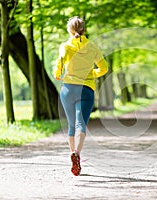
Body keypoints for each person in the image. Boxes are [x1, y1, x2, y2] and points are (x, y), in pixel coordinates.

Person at [54, 16, 108, 176]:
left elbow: (60, 64)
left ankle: (74, 154)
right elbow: (104, 68)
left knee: (71, 125)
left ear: (69, 30)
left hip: (68, 89)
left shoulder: (65, 46)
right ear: (84, 29)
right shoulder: (92, 47)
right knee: (80, 124)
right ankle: (76, 153)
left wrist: (58, 74)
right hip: (86, 89)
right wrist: (91, 72)